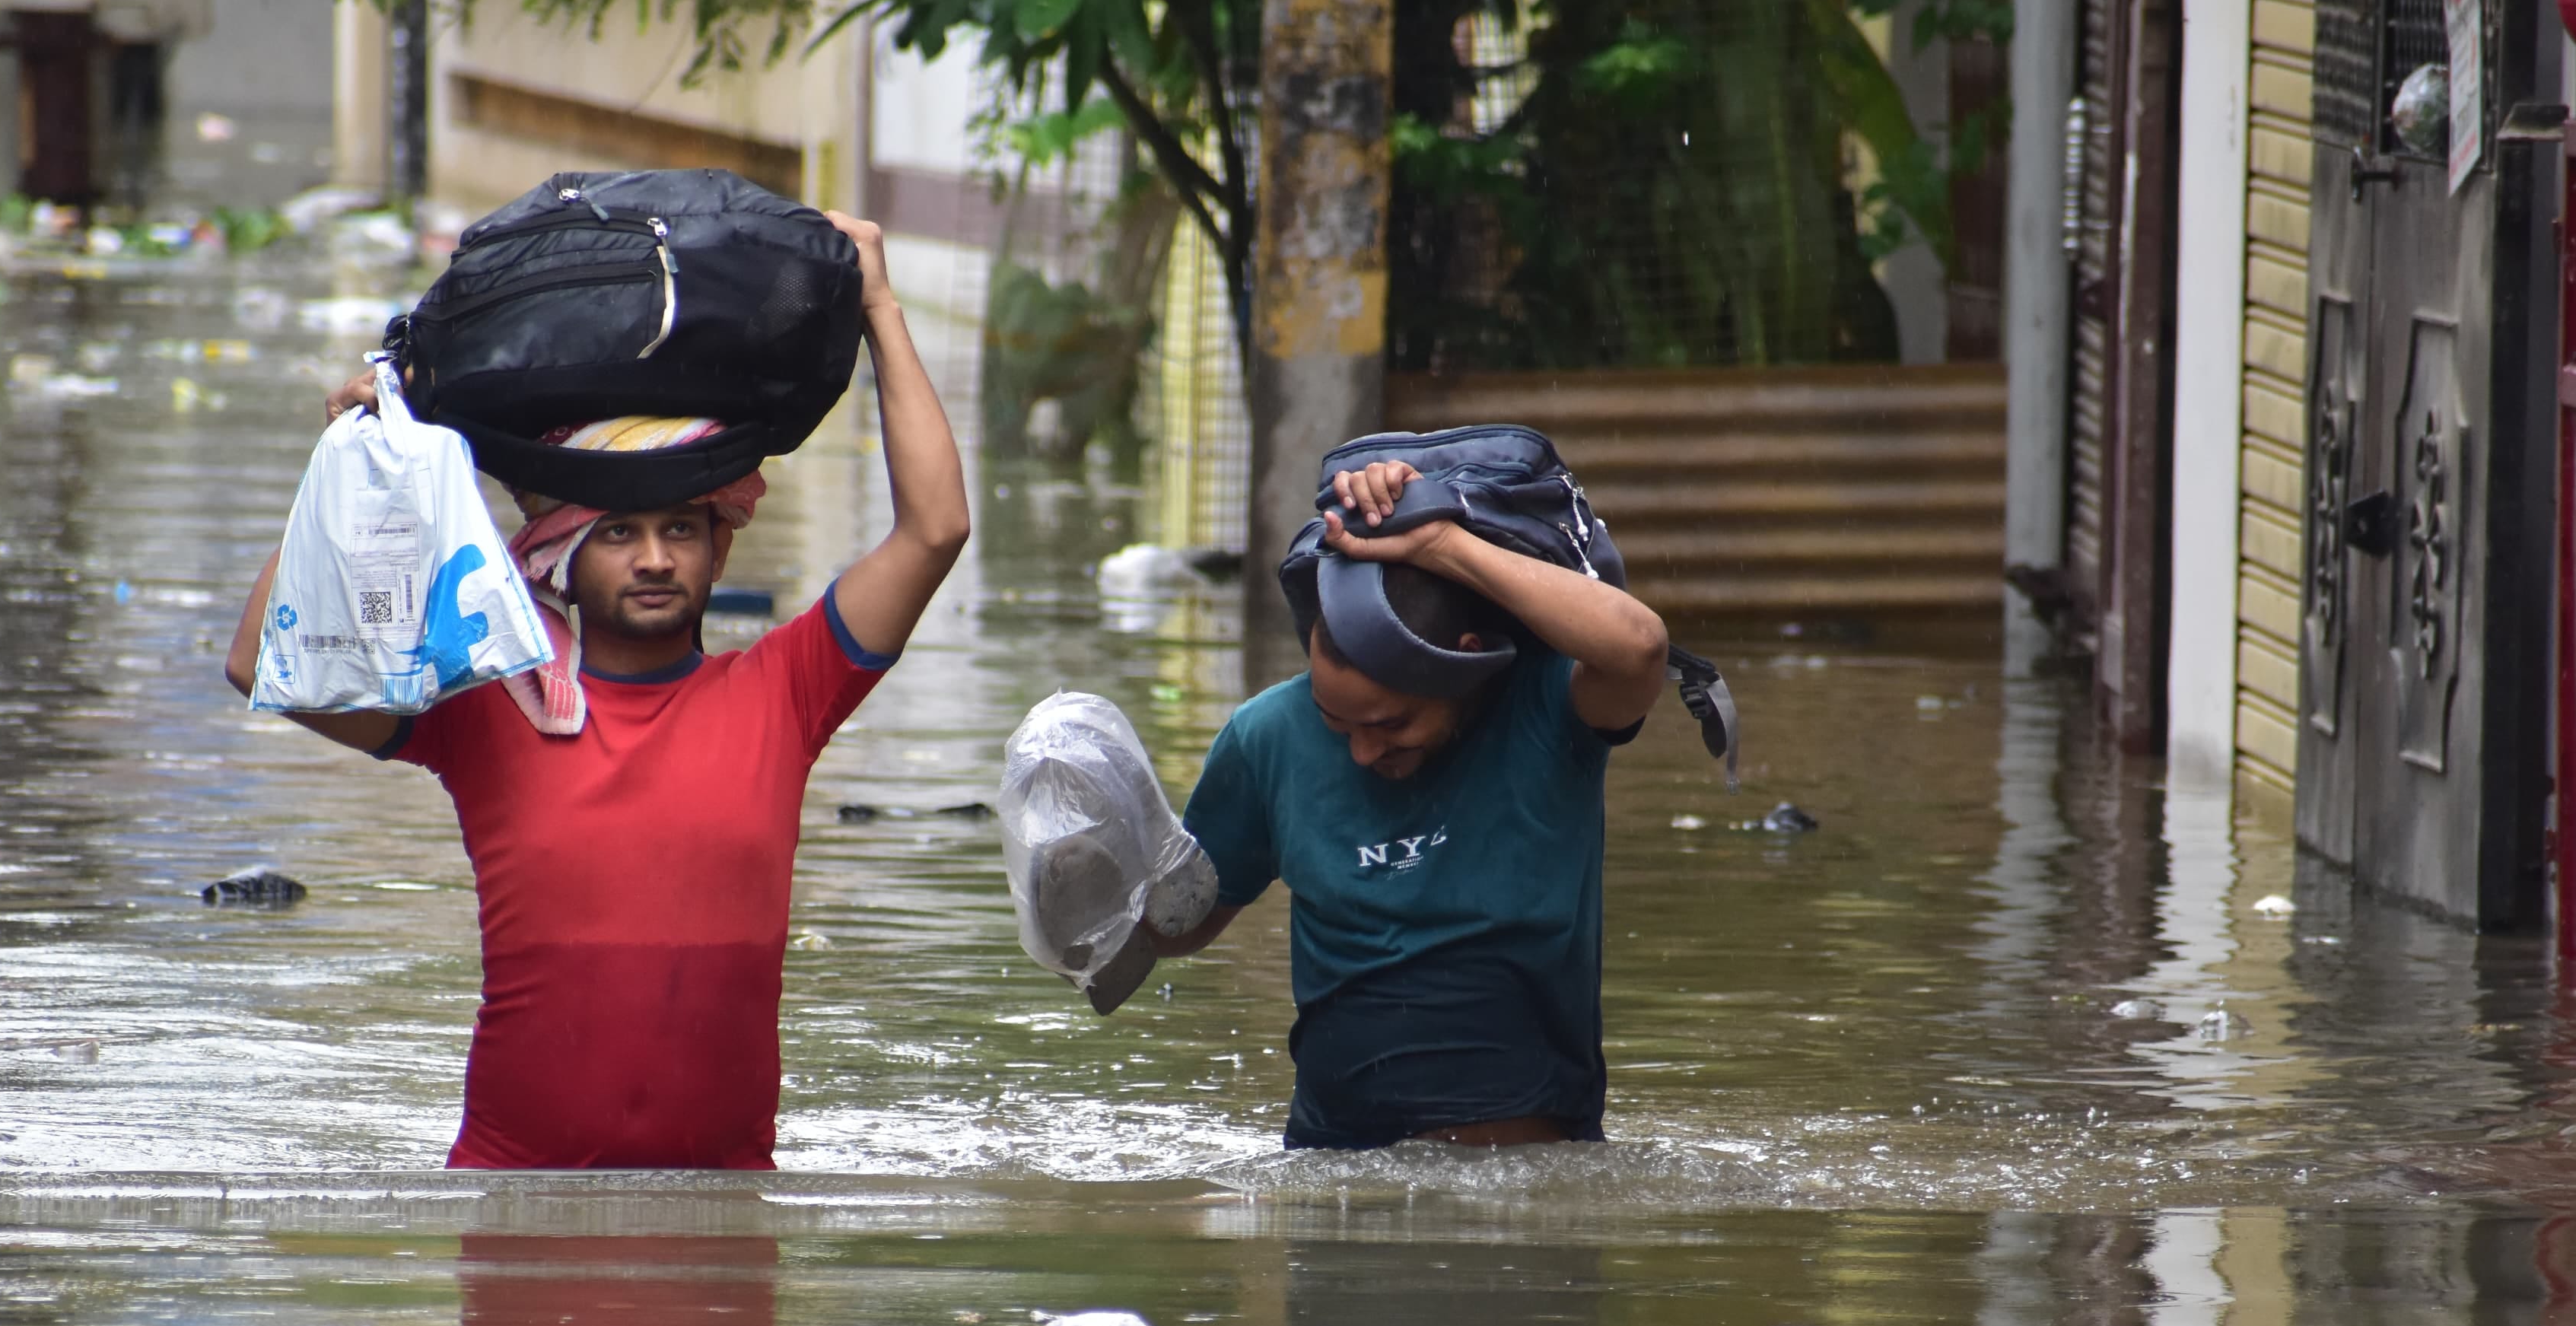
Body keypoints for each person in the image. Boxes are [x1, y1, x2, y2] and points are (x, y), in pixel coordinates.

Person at [225, 211, 969, 1169]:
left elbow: (935, 528)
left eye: (681, 530)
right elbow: (261, 662)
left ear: (718, 549)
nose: (655, 558)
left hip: (725, 1215)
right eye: (618, 533)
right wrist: (356, 459)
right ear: (559, 555)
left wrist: (875, 300)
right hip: (510, 1201)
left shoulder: (787, 690)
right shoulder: (485, 705)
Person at [1146, 456, 1667, 1149]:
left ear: (1467, 662)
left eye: (1391, 724)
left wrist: (1440, 543)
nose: (1363, 750)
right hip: (1331, 1170)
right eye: (1337, 721)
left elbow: (1640, 647)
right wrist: (1094, 881)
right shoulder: (1268, 735)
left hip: (1529, 1178)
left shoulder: (1547, 712)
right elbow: (1178, 923)